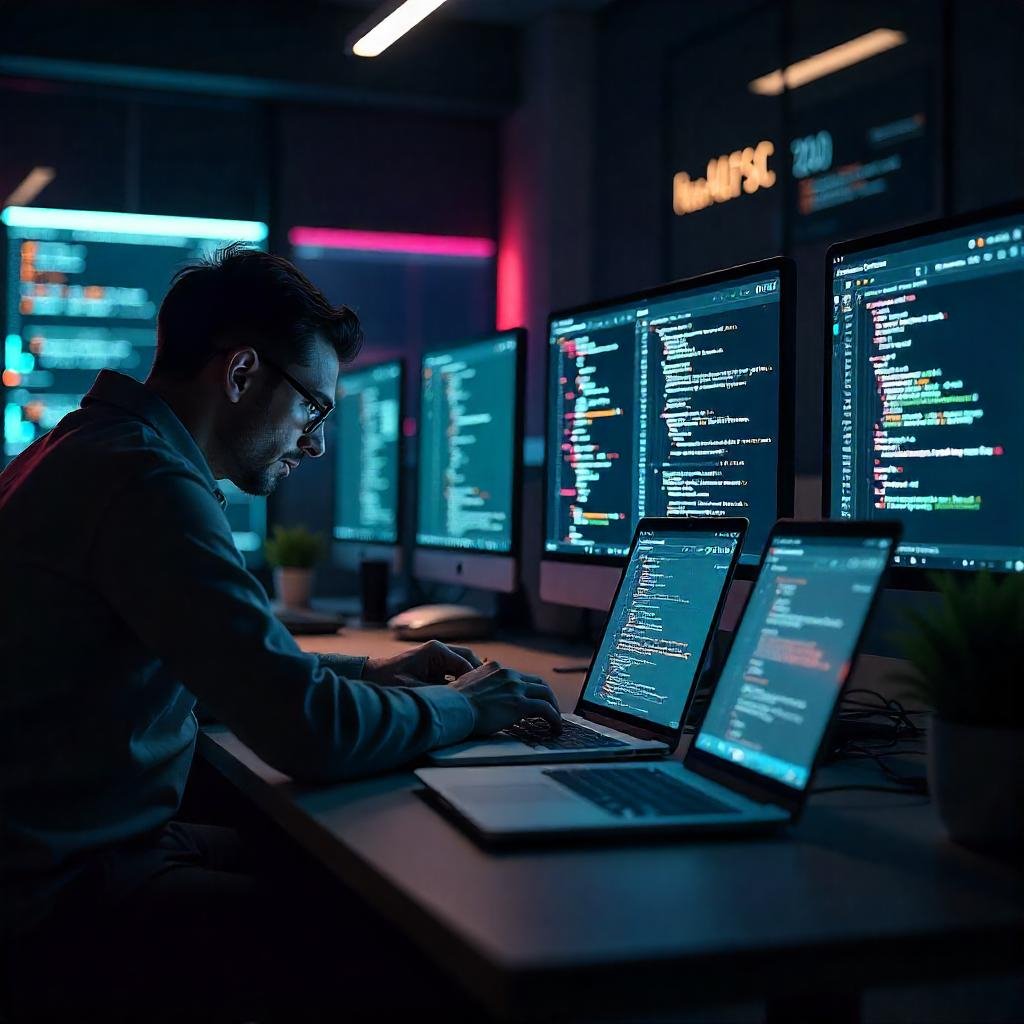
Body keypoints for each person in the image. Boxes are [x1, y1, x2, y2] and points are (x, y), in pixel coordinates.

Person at [0, 244, 561, 1020]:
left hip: (77, 852)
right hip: (59, 900)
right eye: (314, 407)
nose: (318, 442)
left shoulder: (91, 447)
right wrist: (469, 705)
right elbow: (308, 731)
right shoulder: (145, 482)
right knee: (408, 936)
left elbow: (216, 671)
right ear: (239, 374)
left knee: (339, 870)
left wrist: (370, 674)